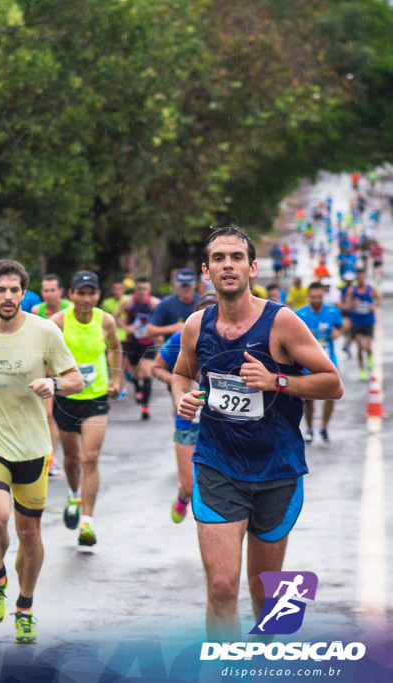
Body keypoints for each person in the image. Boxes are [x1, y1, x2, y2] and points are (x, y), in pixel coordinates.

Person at [172, 226, 342, 641]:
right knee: (221, 586)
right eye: (218, 258)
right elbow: (180, 374)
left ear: (252, 266)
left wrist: (277, 382)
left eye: (235, 257)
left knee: (266, 598)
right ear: (206, 272)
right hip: (217, 466)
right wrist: (184, 398)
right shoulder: (197, 325)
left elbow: (332, 382)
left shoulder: (282, 322)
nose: (227, 265)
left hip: (276, 471)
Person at [0, 259, 82, 645]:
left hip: (32, 447)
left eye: (15, 290)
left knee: (29, 533)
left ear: (23, 294)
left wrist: (54, 383)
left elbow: (75, 378)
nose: (8, 297)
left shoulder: (44, 331)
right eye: (1, 290)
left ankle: (24, 608)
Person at [49, 271, 123, 546]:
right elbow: (44, 356)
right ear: (71, 294)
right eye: (81, 293)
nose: (85, 298)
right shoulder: (57, 323)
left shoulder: (105, 321)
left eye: (91, 292)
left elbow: (115, 347)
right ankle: (73, 494)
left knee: (89, 457)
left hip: (95, 397)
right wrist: (51, 381)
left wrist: (117, 378)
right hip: (66, 399)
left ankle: (87, 522)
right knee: (71, 459)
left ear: (97, 295)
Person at [151, 293, 217, 523]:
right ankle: (183, 493)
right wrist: (179, 387)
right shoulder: (182, 338)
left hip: (222, 421)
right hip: (190, 419)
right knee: (190, 486)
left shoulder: (235, 338)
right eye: (204, 313)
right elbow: (157, 367)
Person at [31, 273, 71, 475]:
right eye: (45, 290)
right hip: (44, 367)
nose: (48, 294)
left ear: (61, 292)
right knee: (48, 414)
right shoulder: (37, 311)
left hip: (66, 366)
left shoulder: (69, 310)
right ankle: (50, 457)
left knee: (64, 416)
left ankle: (59, 455)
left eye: (52, 290)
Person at [295, 283, 343, 444]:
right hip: (307, 363)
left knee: (331, 394)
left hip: (329, 360)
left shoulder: (332, 311)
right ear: (308, 297)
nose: (317, 300)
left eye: (319, 297)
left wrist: (338, 332)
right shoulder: (299, 314)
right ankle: (309, 429)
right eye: (314, 297)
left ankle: (324, 427)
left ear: (323, 296)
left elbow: (342, 325)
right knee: (308, 399)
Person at [115, 277, 159, 419]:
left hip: (148, 343)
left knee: (146, 372)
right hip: (132, 341)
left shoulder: (154, 303)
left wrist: (157, 332)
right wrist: (126, 327)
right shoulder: (128, 301)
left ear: (149, 290)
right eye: (140, 289)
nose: (142, 292)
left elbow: (160, 319)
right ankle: (138, 388)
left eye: (145, 289)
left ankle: (145, 408)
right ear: (135, 290)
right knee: (132, 372)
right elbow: (115, 316)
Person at [342, 269, 379, 381]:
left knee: (368, 347)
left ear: (365, 276)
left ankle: (369, 357)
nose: (360, 278)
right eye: (358, 276)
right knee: (359, 345)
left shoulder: (370, 288)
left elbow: (378, 299)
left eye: (362, 275)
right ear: (356, 278)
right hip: (357, 322)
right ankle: (362, 370)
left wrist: (374, 306)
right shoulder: (351, 290)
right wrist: (353, 304)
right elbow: (346, 307)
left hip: (368, 321)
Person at [147, 267, 198, 339]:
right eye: (183, 286)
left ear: (195, 285)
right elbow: (149, 330)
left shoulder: (202, 302)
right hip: (173, 347)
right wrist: (173, 328)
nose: (186, 289)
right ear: (176, 285)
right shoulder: (166, 303)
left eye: (189, 285)